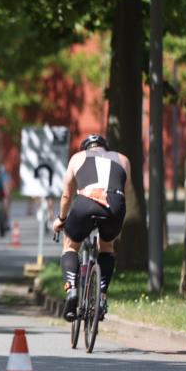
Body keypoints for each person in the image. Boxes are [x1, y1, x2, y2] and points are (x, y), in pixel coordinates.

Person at [52, 134, 130, 322]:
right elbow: (126, 191)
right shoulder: (123, 159)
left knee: (70, 246)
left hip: (86, 201)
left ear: (85, 148)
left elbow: (66, 195)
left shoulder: (77, 158)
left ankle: (71, 289)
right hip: (115, 203)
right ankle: (102, 294)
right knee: (107, 247)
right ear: (105, 147)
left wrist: (60, 219)